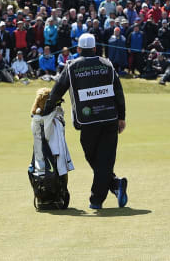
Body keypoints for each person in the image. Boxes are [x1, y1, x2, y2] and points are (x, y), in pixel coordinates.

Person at [40, 33, 128, 210]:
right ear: (95, 48)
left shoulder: (72, 66)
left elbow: (58, 91)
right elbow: (118, 92)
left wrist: (45, 111)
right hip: (110, 118)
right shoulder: (107, 64)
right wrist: (122, 117)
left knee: (94, 157)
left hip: (88, 122)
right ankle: (115, 184)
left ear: (78, 49)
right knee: (106, 159)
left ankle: (97, 199)